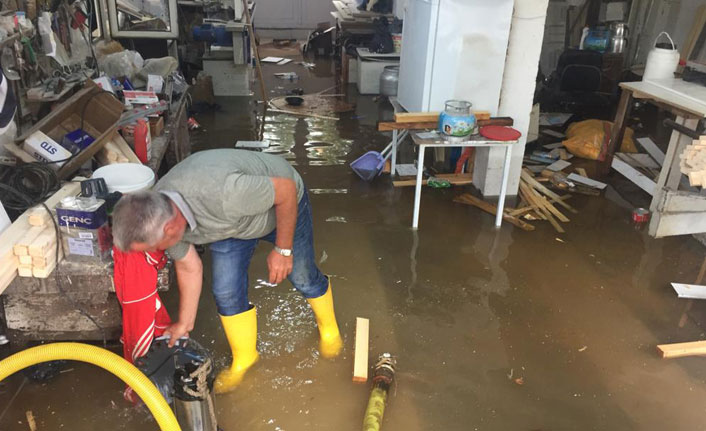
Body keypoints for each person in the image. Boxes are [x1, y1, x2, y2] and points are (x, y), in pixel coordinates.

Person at [111, 149, 343, 394]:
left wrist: (283, 250)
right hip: (231, 226)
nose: (157, 252)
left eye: (153, 247)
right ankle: (246, 357)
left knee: (302, 276)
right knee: (225, 290)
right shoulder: (162, 216)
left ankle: (329, 329)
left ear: (169, 229)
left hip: (282, 206)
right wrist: (184, 324)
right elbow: (189, 266)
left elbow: (285, 190)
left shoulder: (224, 194)